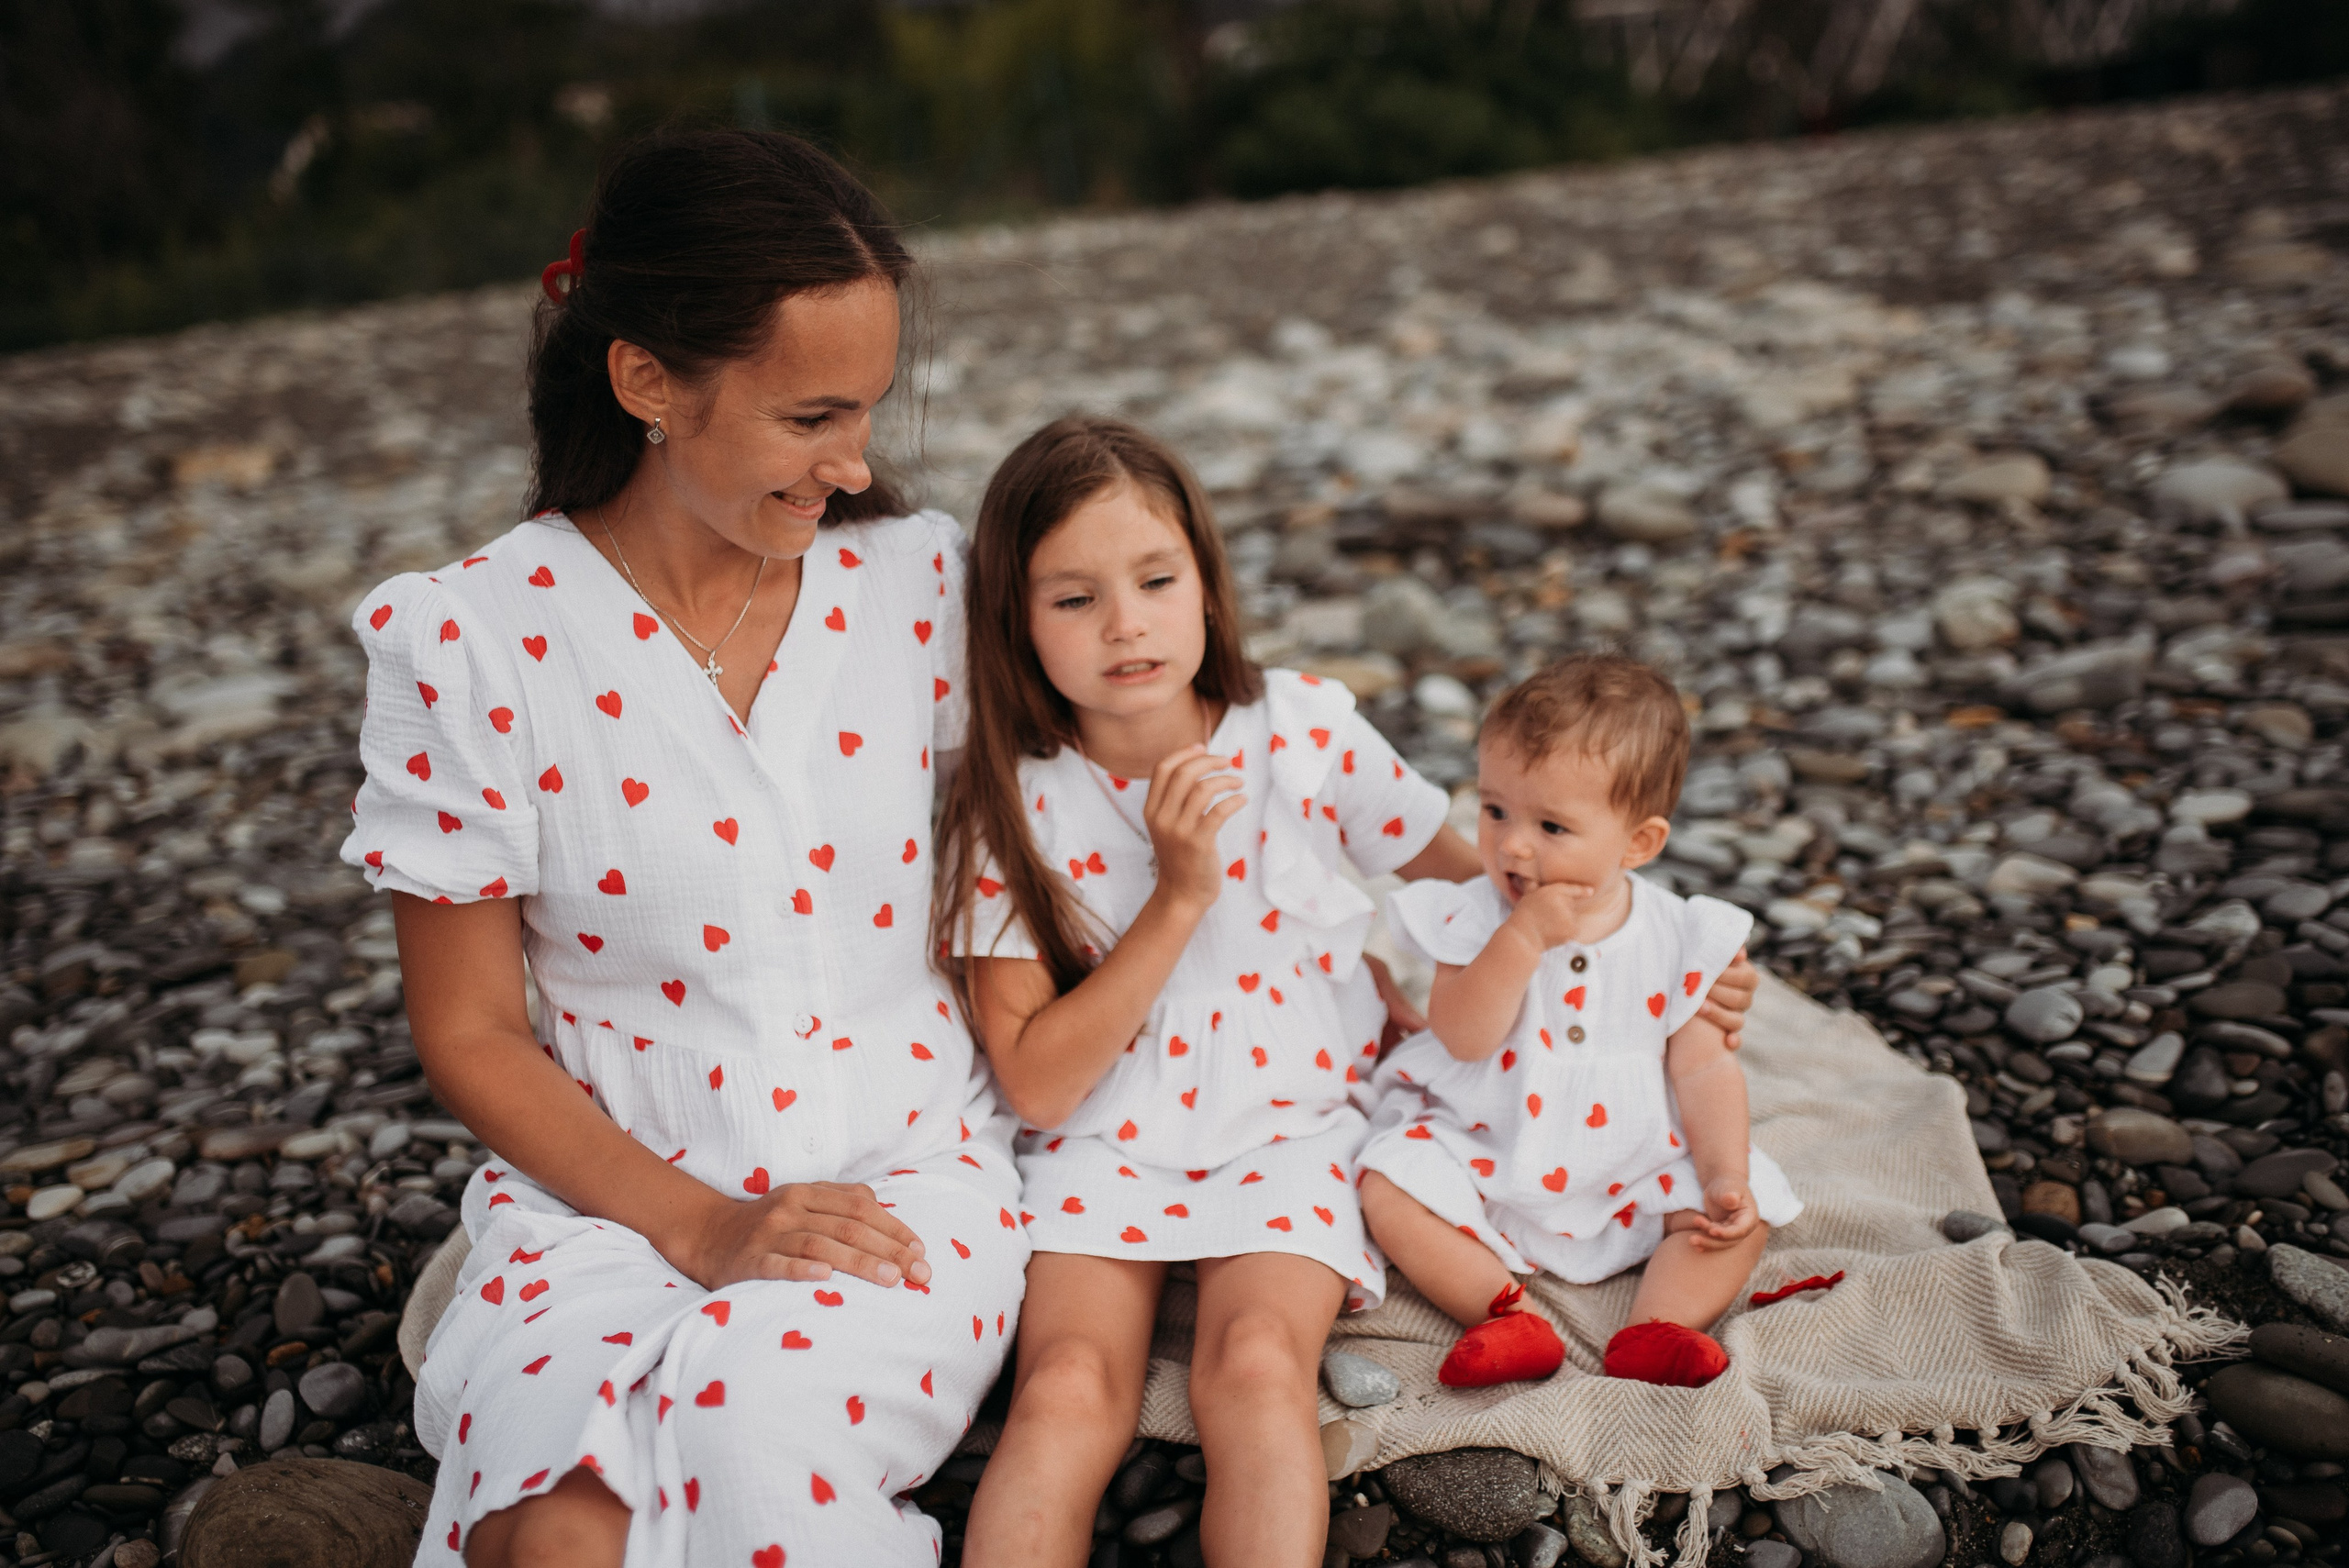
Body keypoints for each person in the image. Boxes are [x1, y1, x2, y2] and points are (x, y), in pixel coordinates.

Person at [344, 128, 1027, 1568]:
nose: (853, 465)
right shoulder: (470, 643)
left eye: (869, 414)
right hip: (605, 1182)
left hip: (891, 1178)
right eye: (808, 420)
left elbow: (1134, 779)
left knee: (747, 1451)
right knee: (554, 1531)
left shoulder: (917, 590)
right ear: (647, 379)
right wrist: (702, 1229)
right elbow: (468, 1029)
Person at [932, 421, 1760, 1565]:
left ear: (1208, 589)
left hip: (1296, 1119)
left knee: (1258, 1364)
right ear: (1015, 621)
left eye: (1156, 580)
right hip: (1101, 1131)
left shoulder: (1304, 733)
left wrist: (1666, 962)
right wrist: (1176, 897)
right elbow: (1032, 1078)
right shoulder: (1010, 802)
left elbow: (1504, 875)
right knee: (1069, 1382)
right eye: (1072, 598)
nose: (1126, 622)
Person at [1357, 653, 1802, 1392]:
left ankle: (1658, 1326)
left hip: (1629, 1160)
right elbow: (1463, 1034)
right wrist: (1521, 939)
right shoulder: (1472, 913)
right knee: (1387, 1184)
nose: (1512, 844)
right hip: (1485, 1146)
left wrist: (1725, 1173)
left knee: (1746, 1208)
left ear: (1639, 843)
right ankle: (1503, 1312)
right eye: (1495, 809)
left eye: (1552, 825)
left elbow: (1702, 1065)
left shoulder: (1681, 933)